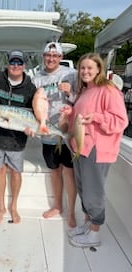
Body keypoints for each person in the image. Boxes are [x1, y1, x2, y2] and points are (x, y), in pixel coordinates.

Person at [60, 53, 128, 247]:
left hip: (97, 149)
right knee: (84, 190)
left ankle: (95, 234)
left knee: (93, 193)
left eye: (90, 68)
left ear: (99, 69)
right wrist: (69, 113)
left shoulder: (108, 89)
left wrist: (97, 117)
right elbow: (81, 118)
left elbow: (121, 121)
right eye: (82, 68)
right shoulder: (84, 91)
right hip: (81, 148)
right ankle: (88, 224)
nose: (85, 71)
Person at [0, 50, 36, 224]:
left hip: (17, 139)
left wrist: (32, 128)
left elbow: (34, 114)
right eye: (12, 62)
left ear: (24, 66)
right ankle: (1, 208)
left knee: (15, 172)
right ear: (8, 64)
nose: (15, 66)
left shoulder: (30, 88)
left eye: (19, 63)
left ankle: (13, 207)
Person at [32, 41, 77, 228]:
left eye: (55, 56)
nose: (51, 59)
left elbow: (82, 99)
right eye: (48, 55)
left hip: (66, 131)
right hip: (47, 133)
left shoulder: (71, 75)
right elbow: (33, 105)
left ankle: (72, 212)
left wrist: (71, 93)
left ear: (61, 57)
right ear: (44, 57)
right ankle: (58, 206)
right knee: (55, 171)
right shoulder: (36, 79)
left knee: (69, 172)